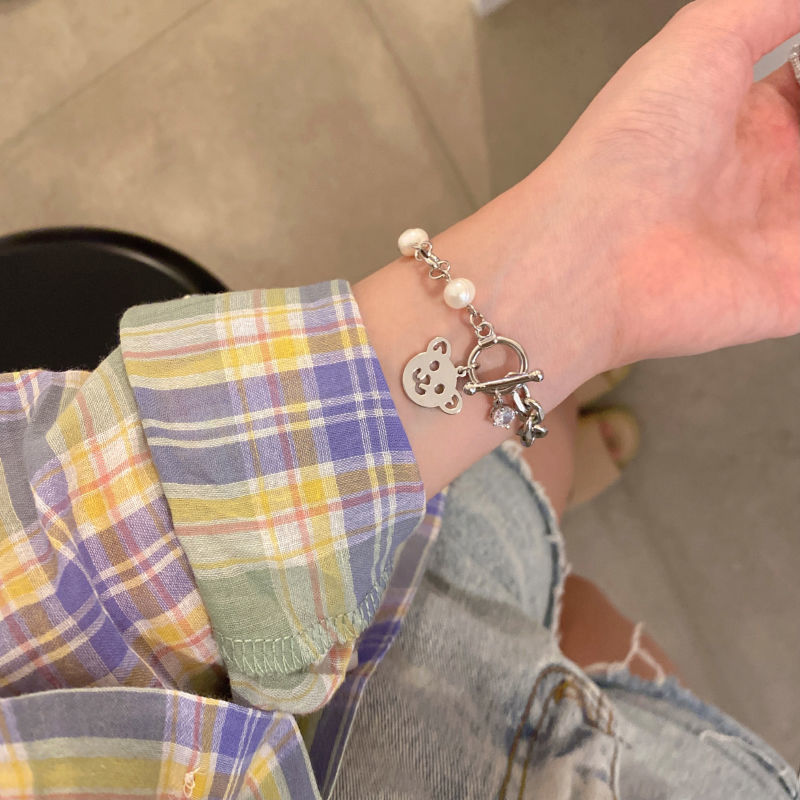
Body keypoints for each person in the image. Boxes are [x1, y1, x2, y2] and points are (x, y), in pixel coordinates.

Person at [0, 0, 798, 796]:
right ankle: (538, 424)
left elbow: (55, 581)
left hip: (361, 600)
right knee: (577, 610)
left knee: (519, 504)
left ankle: (543, 411)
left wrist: (586, 275)